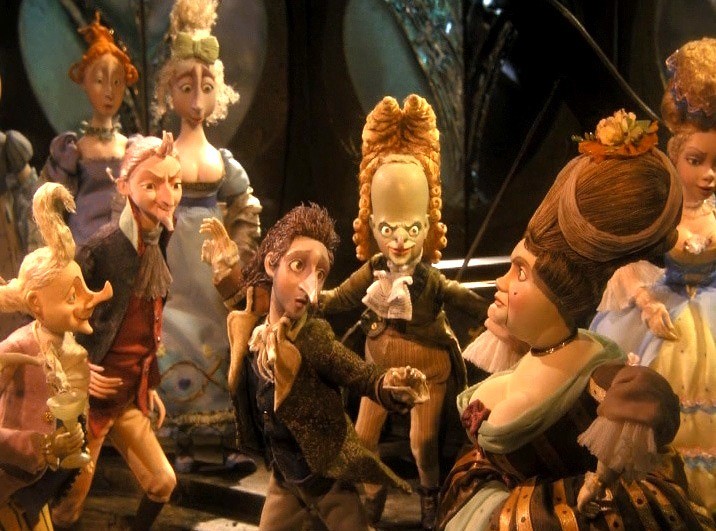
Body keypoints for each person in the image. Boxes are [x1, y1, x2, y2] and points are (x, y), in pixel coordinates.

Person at [436, 109, 716, 530]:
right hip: (489, 494)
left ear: (556, 297)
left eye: (520, 272)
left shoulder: (596, 372)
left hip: (552, 510)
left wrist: (600, 481)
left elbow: (651, 400)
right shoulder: (532, 351)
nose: (501, 280)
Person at [317, 94, 487, 529]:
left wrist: (498, 311)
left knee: (421, 442)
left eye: (411, 229)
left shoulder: (430, 281)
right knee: (362, 438)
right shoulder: (373, 272)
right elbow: (339, 299)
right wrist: (306, 297)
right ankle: (371, 497)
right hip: (378, 370)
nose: (399, 241)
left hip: (427, 369)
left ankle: (430, 496)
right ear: (373, 227)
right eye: (388, 229)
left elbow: (464, 299)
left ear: (427, 227)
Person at [206, 203, 427, 530]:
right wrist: (225, 266)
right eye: (298, 266)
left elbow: (354, 371)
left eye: (320, 274)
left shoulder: (312, 336)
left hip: (324, 475)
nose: (310, 285)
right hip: (285, 476)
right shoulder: (256, 329)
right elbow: (242, 297)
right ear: (272, 264)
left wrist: (387, 384)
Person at [590, 37, 716, 516]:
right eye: (696, 161)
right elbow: (629, 264)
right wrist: (645, 303)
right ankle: (662, 501)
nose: (709, 175)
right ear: (675, 157)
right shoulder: (662, 212)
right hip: (663, 313)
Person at [50, 133, 182, 530]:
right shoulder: (101, 248)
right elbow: (58, 315)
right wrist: (76, 366)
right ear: (124, 186)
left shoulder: (158, 240)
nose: (167, 196)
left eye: (174, 183)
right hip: (90, 403)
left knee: (162, 482)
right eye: (151, 185)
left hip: (127, 396)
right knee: (67, 504)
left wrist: (147, 382)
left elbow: (146, 323)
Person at [152, 0, 262, 472]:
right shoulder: (164, 154)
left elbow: (246, 206)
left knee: (218, 338)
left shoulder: (222, 161)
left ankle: (223, 439)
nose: (197, 100)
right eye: (186, 88)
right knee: (175, 337)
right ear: (169, 92)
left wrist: (237, 253)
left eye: (207, 88)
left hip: (211, 268)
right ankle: (180, 438)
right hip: (174, 264)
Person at [0, 182, 112, 530]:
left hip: (41, 486)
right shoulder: (17, 348)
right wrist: (39, 445)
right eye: (71, 296)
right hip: (11, 486)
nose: (87, 301)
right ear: (37, 304)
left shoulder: (71, 350)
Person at [41, 12, 139, 248]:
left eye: (117, 82)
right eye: (99, 81)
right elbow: (54, 206)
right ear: (84, 82)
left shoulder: (130, 148)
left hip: (123, 243)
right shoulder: (72, 151)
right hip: (83, 244)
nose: (109, 92)